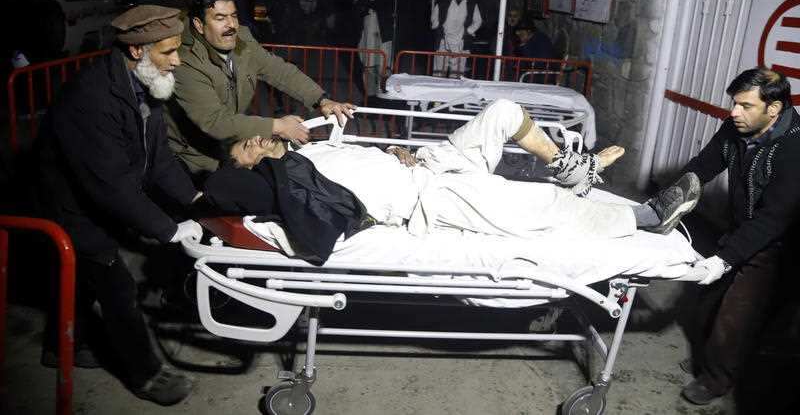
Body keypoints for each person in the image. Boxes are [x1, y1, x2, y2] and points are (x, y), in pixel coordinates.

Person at [207, 100, 700, 263]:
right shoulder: (279, 180)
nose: (250, 143)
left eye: (247, 139)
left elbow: (361, 161)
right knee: (536, 205)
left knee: (505, 112)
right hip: (427, 195)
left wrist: (392, 151)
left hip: (430, 161)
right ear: (249, 169)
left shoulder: (311, 148)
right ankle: (645, 217)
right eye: (242, 150)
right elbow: (218, 192)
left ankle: (575, 170)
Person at [34, 5, 204, 405]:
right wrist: (168, 228)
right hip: (70, 205)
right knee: (117, 285)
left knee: (77, 280)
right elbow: (110, 186)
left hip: (100, 194)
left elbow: (159, 158)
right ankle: (147, 375)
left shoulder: (147, 84)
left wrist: (195, 199)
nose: (177, 59)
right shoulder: (90, 98)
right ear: (136, 51)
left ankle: (60, 348)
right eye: (168, 51)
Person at [675, 68, 800, 405]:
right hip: (742, 228)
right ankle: (712, 360)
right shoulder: (736, 127)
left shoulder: (794, 147)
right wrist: (668, 200)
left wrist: (726, 258)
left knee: (737, 316)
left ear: (772, 109)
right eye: (734, 104)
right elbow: (703, 165)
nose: (734, 112)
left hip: (778, 241)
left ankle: (717, 378)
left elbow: (776, 217)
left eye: (745, 105)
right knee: (706, 302)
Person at [165, 0, 355, 180]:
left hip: (230, 145)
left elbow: (278, 70)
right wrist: (278, 126)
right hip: (194, 159)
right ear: (198, 24)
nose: (231, 25)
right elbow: (215, 121)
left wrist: (321, 99)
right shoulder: (184, 61)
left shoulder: (242, 40)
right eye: (220, 18)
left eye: (234, 16)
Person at [431, 0, 483, 78]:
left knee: (457, 74)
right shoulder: (444, 1)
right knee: (438, 73)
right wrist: (438, 28)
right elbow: (434, 17)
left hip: (461, 43)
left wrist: (468, 31)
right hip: (443, 40)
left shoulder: (471, 4)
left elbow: (478, 21)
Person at [356, 0, 394, 96]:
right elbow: (359, 6)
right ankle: (370, 92)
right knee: (368, 63)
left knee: (382, 63)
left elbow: (381, 5)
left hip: (381, 34)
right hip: (367, 35)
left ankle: (382, 90)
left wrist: (368, 4)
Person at [514, 13, 558, 84]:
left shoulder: (540, 40)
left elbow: (538, 63)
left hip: (542, 74)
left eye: (520, 31)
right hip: (534, 72)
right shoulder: (530, 40)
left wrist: (524, 46)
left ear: (529, 31)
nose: (517, 34)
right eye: (517, 31)